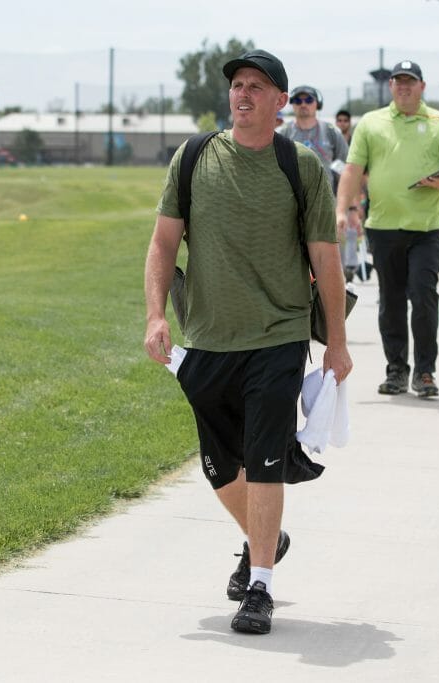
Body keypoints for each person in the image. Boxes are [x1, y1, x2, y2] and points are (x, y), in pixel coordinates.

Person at [143, 49, 351, 636]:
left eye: (258, 86)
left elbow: (324, 258)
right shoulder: (193, 157)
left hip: (278, 337)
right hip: (206, 337)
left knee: (264, 462)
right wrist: (156, 315)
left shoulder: (301, 166)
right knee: (218, 468)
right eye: (238, 84)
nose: (244, 93)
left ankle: (259, 587)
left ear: (281, 102)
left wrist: (336, 342)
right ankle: (268, 539)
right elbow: (162, 245)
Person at [336, 59, 439, 398]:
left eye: (410, 81)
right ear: (391, 86)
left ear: (422, 86)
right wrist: (341, 209)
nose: (403, 87)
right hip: (382, 227)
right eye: (398, 81)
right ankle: (396, 369)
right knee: (391, 301)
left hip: (426, 228)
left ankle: (425, 372)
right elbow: (352, 170)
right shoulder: (371, 123)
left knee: (423, 296)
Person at [278, 86, 356, 280]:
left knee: (327, 262)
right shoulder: (283, 133)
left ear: (317, 103)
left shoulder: (331, 133)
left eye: (308, 100)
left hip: (325, 206)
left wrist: (351, 208)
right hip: (291, 208)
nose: (303, 105)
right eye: (297, 101)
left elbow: (346, 172)